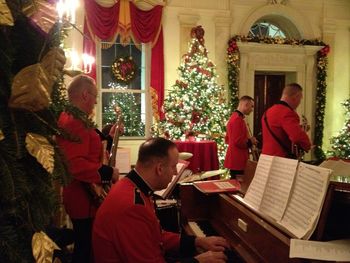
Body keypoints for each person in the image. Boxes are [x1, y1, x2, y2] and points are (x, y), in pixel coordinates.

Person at [93, 137, 229, 263]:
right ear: (159, 168)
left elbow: (155, 237)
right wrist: (198, 261)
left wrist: (197, 241)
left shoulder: (132, 187)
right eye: (173, 166)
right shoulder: (132, 206)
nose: (176, 173)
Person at [56, 75, 119, 263]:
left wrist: (107, 136)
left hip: (81, 196)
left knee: (85, 245)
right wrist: (108, 172)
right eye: (95, 96)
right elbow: (74, 164)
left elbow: (87, 143)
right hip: (83, 198)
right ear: (85, 95)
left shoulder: (72, 117)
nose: (96, 101)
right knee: (85, 249)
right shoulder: (76, 120)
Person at [261, 83, 311, 158]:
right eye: (300, 99)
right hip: (280, 159)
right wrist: (308, 145)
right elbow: (296, 136)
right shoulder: (287, 113)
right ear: (296, 97)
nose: (299, 103)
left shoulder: (267, 112)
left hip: (265, 158)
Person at [224, 96, 258, 179]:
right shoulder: (237, 119)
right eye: (251, 106)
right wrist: (251, 141)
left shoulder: (236, 117)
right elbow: (238, 141)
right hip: (238, 159)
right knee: (238, 186)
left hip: (236, 157)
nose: (252, 109)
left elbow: (228, 138)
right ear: (246, 104)